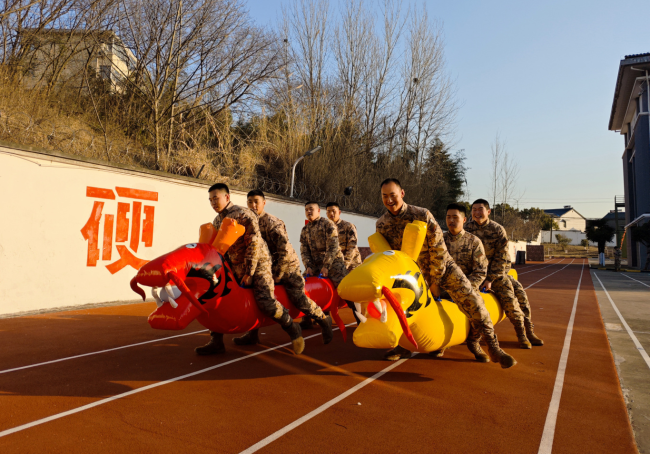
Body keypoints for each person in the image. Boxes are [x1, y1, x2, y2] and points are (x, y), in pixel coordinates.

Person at [375, 179, 516, 368]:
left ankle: (493, 347)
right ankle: (404, 345)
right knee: (401, 307)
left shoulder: (422, 215)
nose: (389, 200)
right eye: (385, 196)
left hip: (444, 268)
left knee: (474, 301)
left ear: (402, 193)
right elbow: (389, 255)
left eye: (393, 195)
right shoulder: (382, 224)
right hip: (413, 274)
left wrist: (436, 282)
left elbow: (439, 250)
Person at [195, 183, 304, 356]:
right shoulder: (217, 221)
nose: (213, 203)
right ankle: (216, 341)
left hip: (258, 264)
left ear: (227, 197)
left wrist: (249, 272)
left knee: (265, 302)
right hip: (234, 266)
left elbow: (254, 243)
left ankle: (293, 328)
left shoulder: (243, 214)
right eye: (210, 200)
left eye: (216, 198)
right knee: (216, 298)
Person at [231, 189, 333, 346]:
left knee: (298, 298)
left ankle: (323, 320)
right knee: (255, 295)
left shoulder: (272, 222)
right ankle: (253, 334)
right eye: (249, 202)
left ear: (263, 203)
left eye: (256, 201)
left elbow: (284, 250)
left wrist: (279, 273)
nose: (252, 205)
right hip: (265, 266)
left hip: (287, 266)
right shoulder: (247, 223)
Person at [465, 199, 542, 348]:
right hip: (475, 273)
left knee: (516, 297)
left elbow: (501, 258)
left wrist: (490, 279)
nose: (477, 213)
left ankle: (524, 333)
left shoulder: (497, 229)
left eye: (480, 209)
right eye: (474, 210)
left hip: (495, 274)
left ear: (488, 212)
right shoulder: (467, 228)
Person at [429, 202, 490, 361]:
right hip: (442, 287)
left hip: (467, 288)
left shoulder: (474, 242)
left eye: (455, 217)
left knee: (478, 309)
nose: (451, 220)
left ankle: (474, 343)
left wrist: (466, 288)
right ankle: (441, 343)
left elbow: (481, 270)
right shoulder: (439, 239)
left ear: (464, 219)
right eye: (448, 217)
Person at [299, 202, 354, 327]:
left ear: (318, 211)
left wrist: (326, 266)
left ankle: (359, 315)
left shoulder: (327, 224)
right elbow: (304, 250)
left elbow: (333, 246)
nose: (308, 212)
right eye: (306, 209)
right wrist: (308, 266)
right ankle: (307, 319)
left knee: (345, 289)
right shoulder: (305, 229)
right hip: (315, 264)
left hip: (333, 262)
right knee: (301, 286)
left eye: (311, 209)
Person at [326, 202, 362, 271]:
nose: (331, 214)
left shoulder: (348, 226)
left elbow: (352, 247)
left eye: (334, 211)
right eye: (329, 212)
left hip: (352, 266)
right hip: (335, 267)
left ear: (339, 212)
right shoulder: (326, 229)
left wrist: (344, 265)